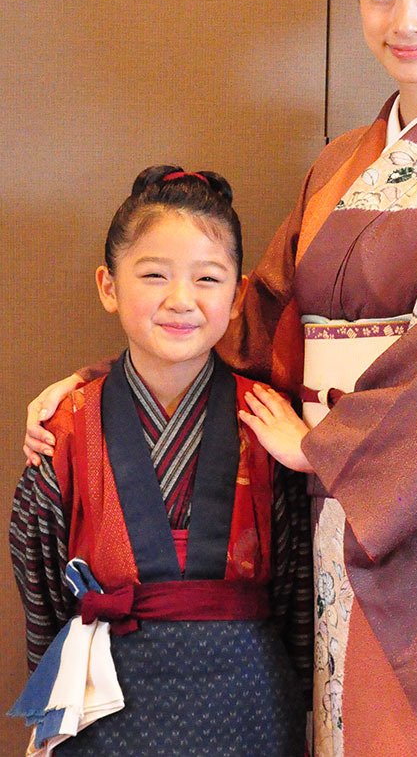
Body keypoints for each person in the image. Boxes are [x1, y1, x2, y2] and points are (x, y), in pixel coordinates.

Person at [22, 0, 417, 757]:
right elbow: (249, 319)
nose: (407, 21)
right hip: (334, 509)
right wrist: (91, 388)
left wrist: (323, 447)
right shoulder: (339, 165)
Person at [10, 167, 307, 756]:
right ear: (109, 286)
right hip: (104, 705)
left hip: (249, 705)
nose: (181, 301)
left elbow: (300, 587)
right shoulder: (65, 428)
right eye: (153, 275)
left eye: (207, 278)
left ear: (238, 294)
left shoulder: (270, 423)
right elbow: (38, 576)